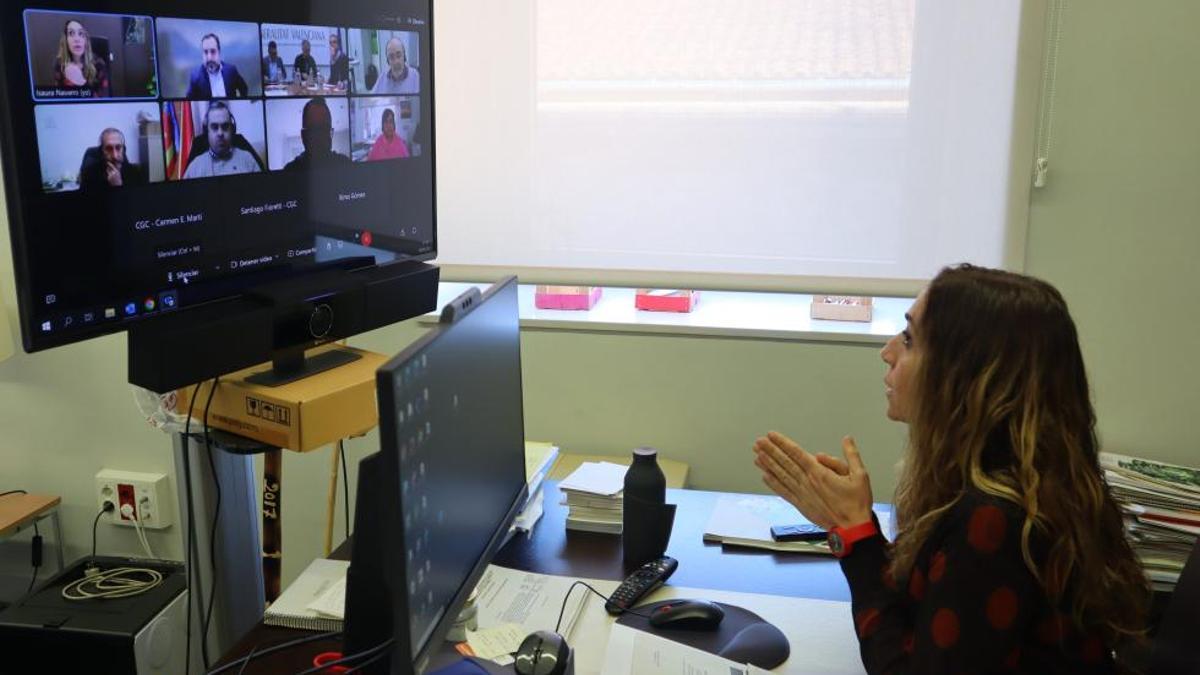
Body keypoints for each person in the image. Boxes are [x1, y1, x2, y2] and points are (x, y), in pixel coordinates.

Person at [752, 264, 1148, 674]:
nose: (887, 352)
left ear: (965, 375)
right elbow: (922, 620)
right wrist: (851, 527)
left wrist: (855, 536)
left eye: (909, 340)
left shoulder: (997, 520)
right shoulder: (1012, 485)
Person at [183, 102, 261, 178]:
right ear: (207, 131)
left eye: (225, 126)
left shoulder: (247, 159)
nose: (220, 133)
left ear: (232, 130)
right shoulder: (195, 166)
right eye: (214, 127)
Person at [283, 98, 351, 171]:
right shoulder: (290, 171)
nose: (320, 136)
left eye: (325, 129)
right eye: (314, 130)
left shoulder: (345, 164)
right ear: (303, 135)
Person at [53, 19, 110, 97]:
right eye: (71, 33)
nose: (77, 39)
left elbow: (104, 99)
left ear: (85, 40)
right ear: (65, 40)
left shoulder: (99, 64)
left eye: (81, 33)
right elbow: (58, 97)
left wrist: (81, 82)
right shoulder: (60, 64)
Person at [186, 33, 249, 98]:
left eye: (213, 51)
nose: (209, 57)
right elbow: (188, 98)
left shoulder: (231, 71)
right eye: (205, 52)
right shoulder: (196, 77)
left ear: (219, 52)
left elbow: (244, 88)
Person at [79, 128, 145, 190]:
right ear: (101, 151)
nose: (115, 156)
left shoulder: (135, 173)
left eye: (118, 148)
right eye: (108, 149)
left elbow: (136, 201)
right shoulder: (89, 174)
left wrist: (118, 186)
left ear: (124, 150)